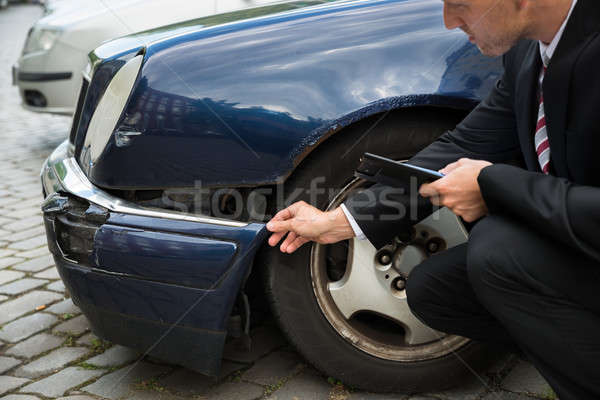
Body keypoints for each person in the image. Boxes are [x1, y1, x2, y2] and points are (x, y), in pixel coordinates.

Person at [265, 0, 600, 398]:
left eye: (458, 5)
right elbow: (464, 144)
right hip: (579, 247)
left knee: (497, 252)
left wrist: (494, 184)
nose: (448, 22)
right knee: (436, 290)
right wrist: (339, 222)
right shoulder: (529, 54)